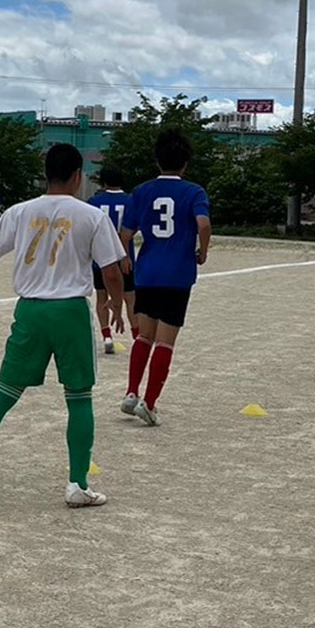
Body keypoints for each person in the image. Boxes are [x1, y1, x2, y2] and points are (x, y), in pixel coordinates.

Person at [0, 143, 126, 506]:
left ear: (46, 173)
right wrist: (117, 306)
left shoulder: (19, 212)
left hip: (30, 311)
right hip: (70, 312)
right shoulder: (91, 215)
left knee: (3, 393)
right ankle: (77, 484)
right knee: (79, 398)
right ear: (78, 176)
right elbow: (111, 271)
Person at [118, 129, 211, 426]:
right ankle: (151, 403)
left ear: (157, 160)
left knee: (144, 336)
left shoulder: (141, 191)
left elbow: (126, 234)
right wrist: (203, 249)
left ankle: (131, 392)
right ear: (185, 163)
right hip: (178, 275)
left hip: (147, 273)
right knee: (166, 342)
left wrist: (125, 259)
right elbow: (203, 223)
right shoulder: (194, 191)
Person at [88, 165, 139, 353]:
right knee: (130, 299)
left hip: (99, 257)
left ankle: (107, 336)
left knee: (101, 296)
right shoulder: (131, 201)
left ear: (103, 181)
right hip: (124, 256)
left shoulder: (94, 201)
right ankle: (136, 337)